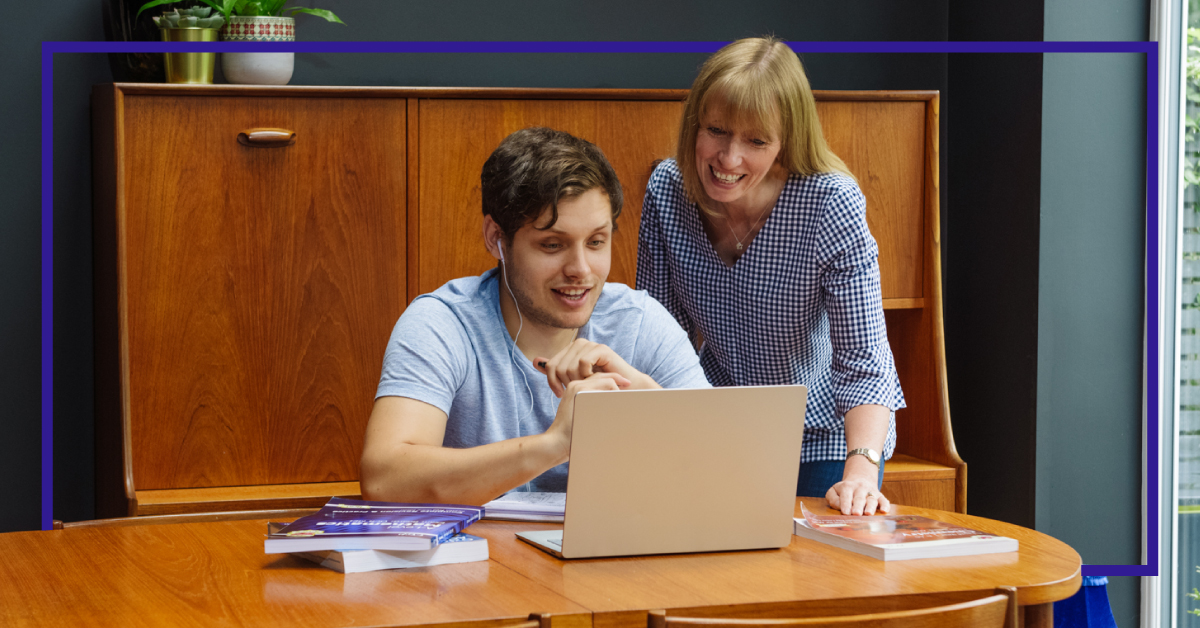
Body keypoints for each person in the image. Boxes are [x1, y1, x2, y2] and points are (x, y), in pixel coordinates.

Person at [361, 127, 710, 505]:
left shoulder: (640, 323)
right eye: (552, 245)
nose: (580, 269)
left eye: (596, 242)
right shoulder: (441, 324)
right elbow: (385, 479)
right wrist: (555, 444)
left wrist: (651, 403)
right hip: (480, 560)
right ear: (497, 238)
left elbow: (728, 469)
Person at [636, 37, 905, 516]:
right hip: (713, 429)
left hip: (825, 438)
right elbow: (658, 339)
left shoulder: (829, 203)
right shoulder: (667, 192)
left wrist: (861, 471)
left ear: (786, 142)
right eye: (716, 130)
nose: (729, 159)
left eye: (756, 141)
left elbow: (865, 358)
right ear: (695, 124)